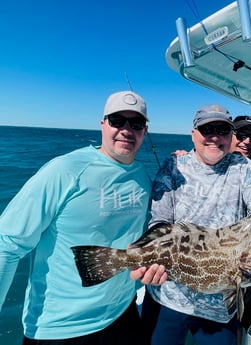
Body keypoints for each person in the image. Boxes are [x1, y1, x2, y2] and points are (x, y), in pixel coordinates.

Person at [0, 90, 167, 345]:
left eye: (136, 124)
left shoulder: (142, 177)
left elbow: (146, 237)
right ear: (103, 124)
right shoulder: (65, 170)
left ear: (145, 131)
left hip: (123, 313)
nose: (126, 129)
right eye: (117, 121)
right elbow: (8, 243)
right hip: (60, 327)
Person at [141, 104, 251, 345]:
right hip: (168, 296)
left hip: (220, 305)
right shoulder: (173, 165)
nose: (214, 137)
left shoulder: (243, 167)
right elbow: (159, 220)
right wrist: (151, 257)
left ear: (231, 136)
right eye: (206, 129)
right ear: (193, 134)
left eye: (222, 130)